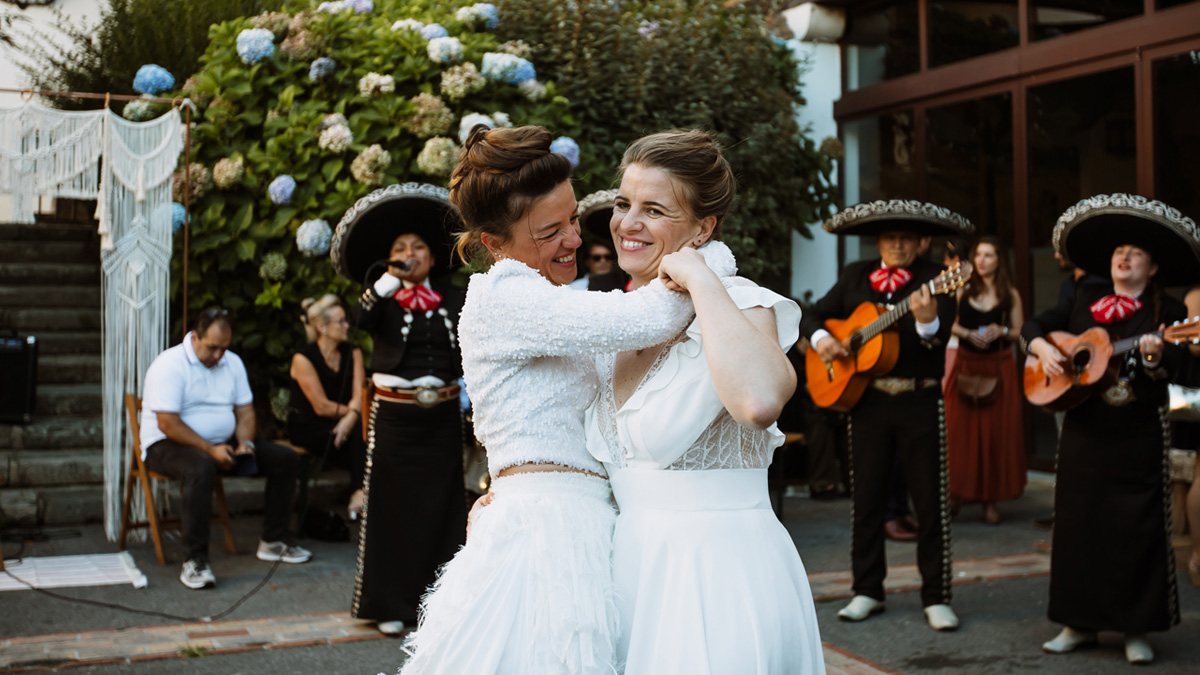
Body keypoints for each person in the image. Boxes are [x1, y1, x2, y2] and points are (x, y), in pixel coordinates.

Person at [397, 125, 735, 675]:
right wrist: (707, 257)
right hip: (544, 530)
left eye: (574, 219)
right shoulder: (502, 295)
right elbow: (651, 316)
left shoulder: (555, 304)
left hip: (589, 519)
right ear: (494, 244)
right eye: (550, 231)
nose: (575, 240)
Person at [582, 130, 823, 674]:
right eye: (623, 204)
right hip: (623, 576)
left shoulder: (744, 304)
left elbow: (760, 402)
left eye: (654, 209)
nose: (627, 223)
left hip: (719, 578)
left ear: (703, 227)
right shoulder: (611, 321)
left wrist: (699, 277)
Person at [1023, 194, 1195, 664]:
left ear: (1152, 267)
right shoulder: (1084, 297)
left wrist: (1160, 358)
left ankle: (1135, 629)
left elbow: (1189, 370)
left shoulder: (1171, 310)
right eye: (1120, 252)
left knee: (1136, 531)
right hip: (1084, 430)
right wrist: (1041, 349)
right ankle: (1078, 624)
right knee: (1080, 528)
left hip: (1138, 431)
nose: (1124, 258)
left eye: (1135, 254)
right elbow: (1035, 325)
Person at [802, 200, 975, 632]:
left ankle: (936, 596)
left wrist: (927, 323)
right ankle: (867, 590)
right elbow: (812, 314)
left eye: (906, 238)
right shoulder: (856, 275)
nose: (897, 244)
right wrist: (824, 340)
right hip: (868, 402)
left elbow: (937, 343)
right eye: (889, 237)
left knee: (930, 501)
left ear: (921, 242)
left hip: (920, 400)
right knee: (867, 500)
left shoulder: (938, 278)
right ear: (879, 241)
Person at [331, 184, 469, 636]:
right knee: (391, 509)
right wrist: (388, 278)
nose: (410, 253)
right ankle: (389, 604)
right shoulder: (382, 297)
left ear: (432, 256)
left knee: (443, 508)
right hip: (395, 419)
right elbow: (359, 320)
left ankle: (441, 606)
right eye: (400, 248)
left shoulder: (453, 297)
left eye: (418, 247)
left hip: (443, 419)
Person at [140, 306, 309, 590]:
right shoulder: (169, 364)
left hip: (221, 443)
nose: (218, 355)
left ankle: (273, 540)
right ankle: (194, 561)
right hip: (166, 445)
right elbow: (168, 423)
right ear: (194, 337)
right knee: (200, 466)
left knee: (285, 458)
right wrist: (210, 449)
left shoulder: (232, 363)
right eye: (212, 348)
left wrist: (245, 443)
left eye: (224, 348)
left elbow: (245, 412)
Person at [944, 236, 1025, 524]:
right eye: (978, 254)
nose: (982, 260)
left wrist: (1001, 331)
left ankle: (990, 501)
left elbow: (1020, 331)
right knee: (958, 434)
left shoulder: (1010, 294)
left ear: (1000, 260)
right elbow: (947, 323)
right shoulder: (961, 289)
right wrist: (967, 334)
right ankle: (955, 495)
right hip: (965, 364)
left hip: (998, 368)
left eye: (989, 255)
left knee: (994, 435)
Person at [287, 295, 366, 518]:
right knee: (364, 442)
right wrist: (353, 414)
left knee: (364, 436)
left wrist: (350, 419)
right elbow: (320, 406)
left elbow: (360, 393)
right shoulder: (303, 358)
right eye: (340, 321)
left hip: (345, 425)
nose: (347, 326)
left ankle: (358, 494)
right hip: (310, 424)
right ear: (322, 327)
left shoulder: (354, 352)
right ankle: (357, 494)